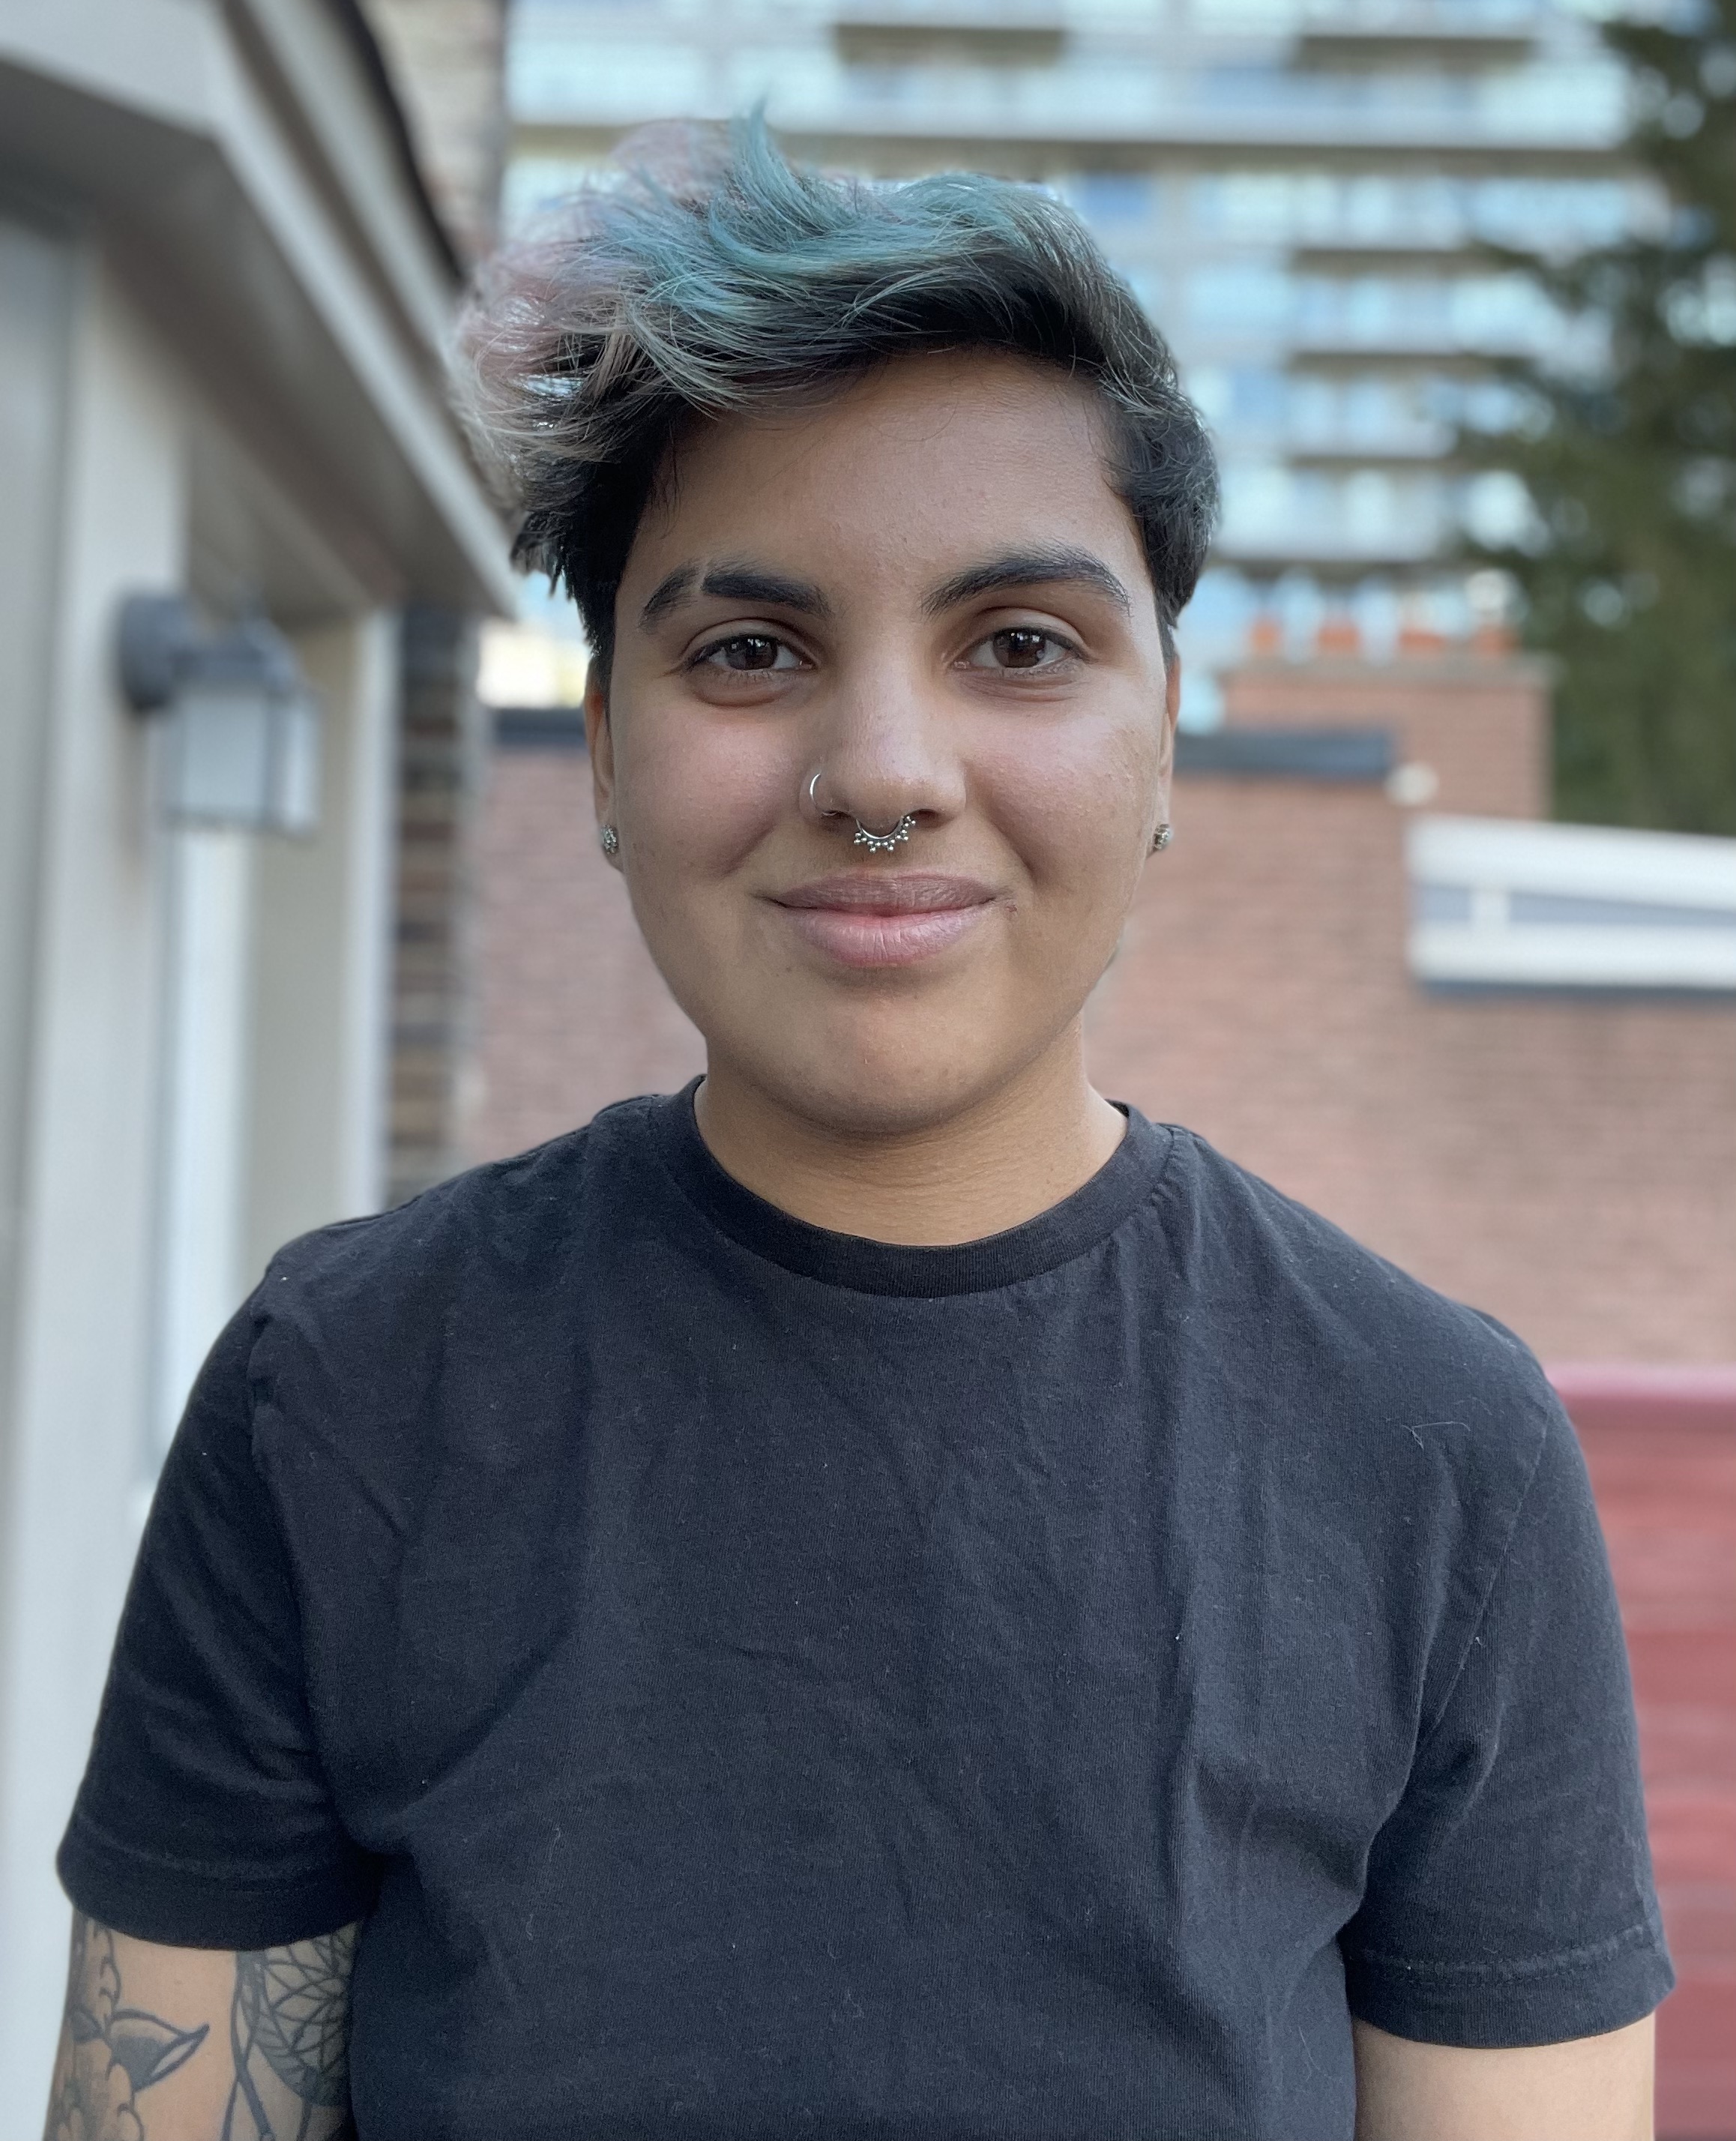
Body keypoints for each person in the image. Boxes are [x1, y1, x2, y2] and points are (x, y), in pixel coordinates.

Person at [47, 122, 1670, 2141]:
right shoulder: (346, 1393)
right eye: (748, 650)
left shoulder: (1433, 1448)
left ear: (1164, 733)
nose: (883, 771)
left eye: (1017, 645)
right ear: (609, 758)